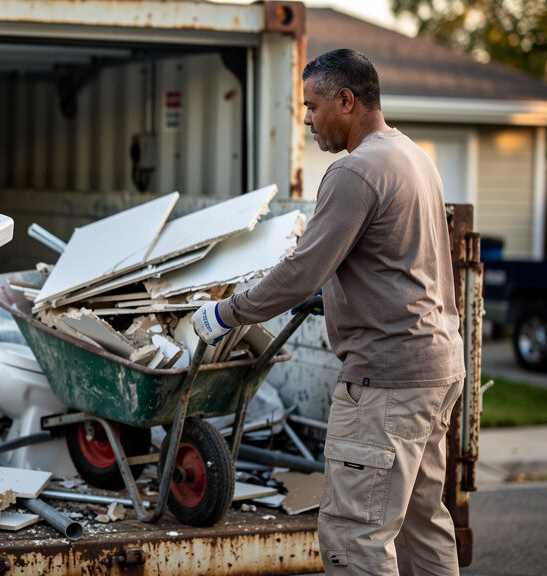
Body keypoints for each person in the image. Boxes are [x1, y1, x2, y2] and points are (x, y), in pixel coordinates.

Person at [192, 48, 466, 576]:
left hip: (385, 381)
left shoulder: (354, 172)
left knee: (354, 535)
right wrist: (335, 294)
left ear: (347, 99)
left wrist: (226, 314)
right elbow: (393, 259)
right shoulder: (411, 156)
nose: (308, 120)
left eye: (313, 107)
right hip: (435, 370)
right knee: (421, 524)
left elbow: (301, 270)